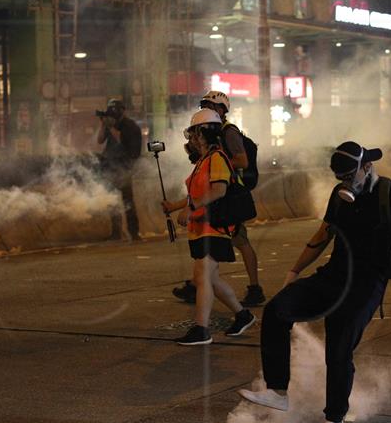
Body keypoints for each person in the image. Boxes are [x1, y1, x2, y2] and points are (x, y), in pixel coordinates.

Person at [238, 142, 391, 423]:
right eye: (340, 178)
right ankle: (277, 390)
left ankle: (335, 419)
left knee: (338, 347)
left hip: (367, 284)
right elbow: (321, 236)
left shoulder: (390, 195)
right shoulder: (339, 199)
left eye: (349, 176)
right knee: (276, 310)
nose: (345, 183)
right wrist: (294, 272)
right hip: (333, 275)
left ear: (366, 167)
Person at [161, 108, 256, 344]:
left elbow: (218, 190)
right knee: (210, 279)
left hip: (215, 228)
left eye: (194, 134)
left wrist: (190, 207)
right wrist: (174, 206)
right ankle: (243, 315)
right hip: (201, 228)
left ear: (204, 133)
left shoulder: (217, 158)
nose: (191, 139)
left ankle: (201, 330)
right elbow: (200, 192)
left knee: (203, 276)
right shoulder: (204, 160)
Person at [172, 91, 266, 308]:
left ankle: (253, 289)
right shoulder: (211, 132)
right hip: (222, 191)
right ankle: (200, 283)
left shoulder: (228, 132)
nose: (206, 108)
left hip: (229, 194)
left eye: (211, 105)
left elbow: (241, 160)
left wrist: (217, 164)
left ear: (223, 109)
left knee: (239, 240)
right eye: (204, 104)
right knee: (220, 240)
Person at [97, 99, 142, 241]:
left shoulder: (130, 126)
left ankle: (134, 233)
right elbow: (100, 140)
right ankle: (116, 232)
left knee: (128, 202)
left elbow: (134, 152)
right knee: (112, 201)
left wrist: (129, 168)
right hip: (110, 167)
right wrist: (104, 125)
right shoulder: (112, 126)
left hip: (124, 168)